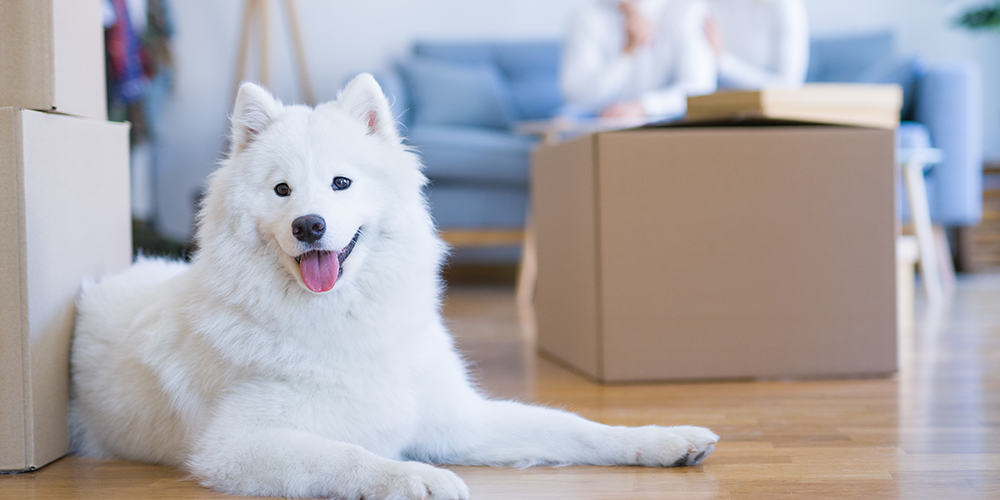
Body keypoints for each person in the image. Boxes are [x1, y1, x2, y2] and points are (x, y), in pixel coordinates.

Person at [561, 0, 718, 120]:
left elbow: (700, 90)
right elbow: (577, 96)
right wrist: (627, 53)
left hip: (666, 121)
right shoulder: (586, 15)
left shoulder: (688, 10)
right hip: (599, 119)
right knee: (563, 121)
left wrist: (643, 106)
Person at [704, 0, 809, 90]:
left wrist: (724, 62)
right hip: (716, 105)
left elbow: (789, 87)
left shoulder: (787, 6)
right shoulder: (709, 5)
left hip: (770, 111)